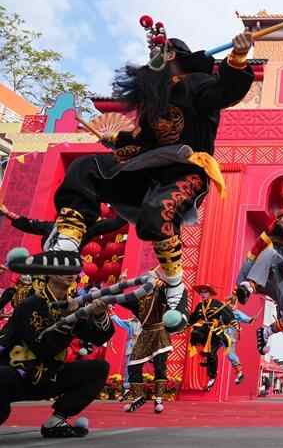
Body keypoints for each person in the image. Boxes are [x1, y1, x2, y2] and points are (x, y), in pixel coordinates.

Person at [8, 20, 254, 325]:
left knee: (156, 214)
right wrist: (117, 140)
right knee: (87, 169)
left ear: (175, 59)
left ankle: (175, 284)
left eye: (161, 55)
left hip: (185, 169)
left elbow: (224, 91)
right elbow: (143, 142)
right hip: (148, 168)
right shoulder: (154, 101)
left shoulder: (198, 84)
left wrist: (237, 59)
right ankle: (68, 245)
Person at [0, 273, 113, 437]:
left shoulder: (74, 306)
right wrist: (67, 319)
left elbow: (99, 338)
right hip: (16, 374)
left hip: (49, 376)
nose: (71, 273)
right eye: (65, 267)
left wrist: (100, 314)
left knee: (98, 369)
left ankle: (56, 422)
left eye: (74, 268)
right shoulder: (31, 303)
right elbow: (41, 348)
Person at [235, 203, 283, 355]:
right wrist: (241, 283)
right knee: (270, 253)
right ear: (278, 220)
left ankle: (266, 332)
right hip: (261, 276)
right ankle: (249, 286)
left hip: (280, 281)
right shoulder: (268, 235)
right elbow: (251, 256)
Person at [120, 269, 188, 413]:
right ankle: (138, 397)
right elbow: (124, 300)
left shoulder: (162, 293)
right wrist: (122, 283)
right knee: (133, 365)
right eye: (147, 278)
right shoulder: (139, 297)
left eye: (151, 278)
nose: (149, 281)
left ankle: (159, 399)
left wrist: (165, 279)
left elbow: (175, 291)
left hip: (160, 333)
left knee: (159, 366)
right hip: (145, 334)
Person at [188, 284, 235, 390]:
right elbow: (192, 319)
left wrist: (223, 321)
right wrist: (182, 323)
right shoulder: (200, 306)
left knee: (212, 354)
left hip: (215, 332)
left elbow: (229, 316)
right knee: (195, 334)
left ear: (209, 293)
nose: (202, 294)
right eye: (201, 292)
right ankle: (203, 354)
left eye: (205, 292)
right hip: (203, 330)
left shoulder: (217, 304)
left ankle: (212, 376)